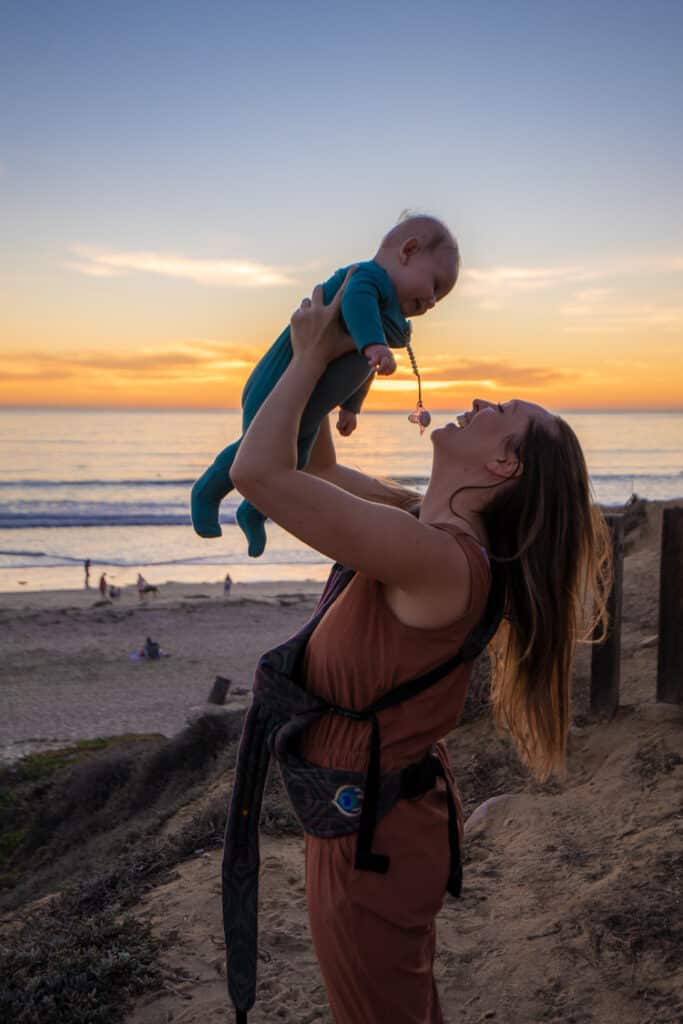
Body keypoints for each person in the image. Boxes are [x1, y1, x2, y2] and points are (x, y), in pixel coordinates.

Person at [228, 274, 611, 1023]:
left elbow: (258, 474)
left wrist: (307, 358)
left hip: (368, 831)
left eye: (497, 413)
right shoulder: (418, 523)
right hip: (373, 813)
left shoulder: (436, 561)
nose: (476, 403)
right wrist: (337, 369)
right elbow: (314, 470)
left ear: (502, 467)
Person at [191, 214, 460, 556]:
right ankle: (205, 493)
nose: (434, 302)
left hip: (311, 404)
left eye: (442, 297)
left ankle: (255, 511)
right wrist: (374, 344)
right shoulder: (366, 280)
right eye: (435, 285)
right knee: (252, 450)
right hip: (277, 387)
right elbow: (356, 307)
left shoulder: (384, 321)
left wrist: (352, 405)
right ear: (408, 250)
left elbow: (364, 367)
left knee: (294, 463)